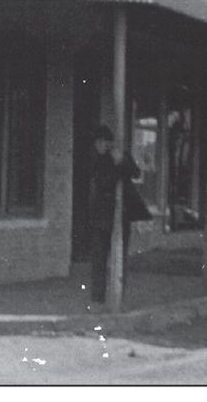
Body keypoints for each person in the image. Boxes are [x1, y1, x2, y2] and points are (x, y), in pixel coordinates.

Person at [85, 124, 140, 306]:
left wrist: (122, 161)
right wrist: (118, 168)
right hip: (101, 217)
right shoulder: (95, 160)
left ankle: (119, 295)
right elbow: (104, 182)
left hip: (119, 216)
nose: (100, 146)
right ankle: (97, 298)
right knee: (99, 258)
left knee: (119, 258)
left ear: (109, 143)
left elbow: (135, 171)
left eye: (103, 142)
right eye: (97, 142)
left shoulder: (118, 155)